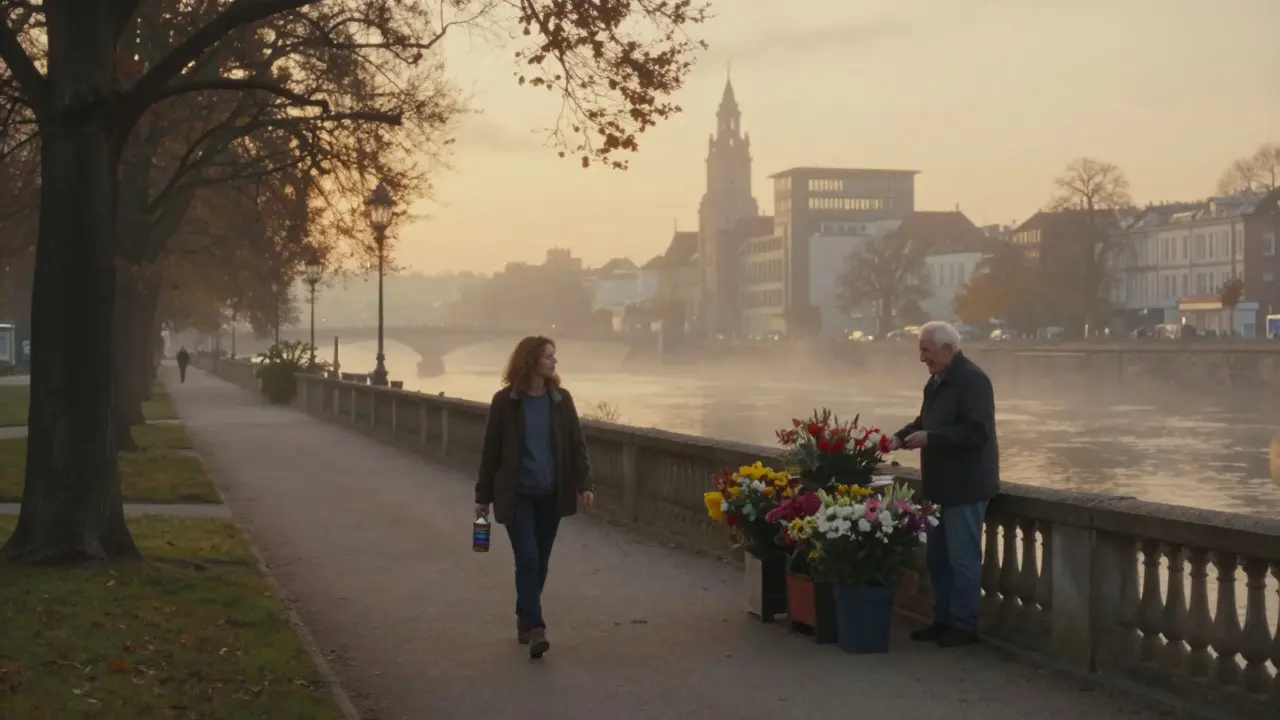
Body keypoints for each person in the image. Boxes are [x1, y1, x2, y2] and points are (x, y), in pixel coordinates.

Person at [475, 336, 594, 659]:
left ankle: (524, 616)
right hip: (518, 495)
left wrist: (584, 485)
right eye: (548, 357)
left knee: (539, 562)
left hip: (551, 494)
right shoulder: (505, 402)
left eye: (554, 356)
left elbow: (576, 446)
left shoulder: (560, 400)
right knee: (527, 557)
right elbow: (491, 451)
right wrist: (482, 495)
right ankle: (537, 626)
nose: (554, 362)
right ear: (531, 361)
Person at [890, 320, 999, 648]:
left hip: (966, 487)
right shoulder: (936, 381)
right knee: (937, 559)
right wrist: (901, 436)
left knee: (962, 559)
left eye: (926, 352)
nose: (922, 359)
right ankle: (944, 619)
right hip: (939, 486)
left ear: (947, 350)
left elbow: (977, 432)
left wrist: (931, 438)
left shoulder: (974, 381)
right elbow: (925, 421)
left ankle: (964, 626)